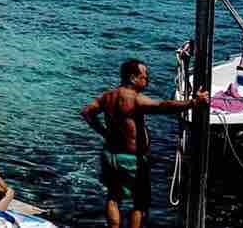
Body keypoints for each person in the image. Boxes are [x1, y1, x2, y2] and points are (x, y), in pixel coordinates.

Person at [81, 59, 209, 228]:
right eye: (145, 77)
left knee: (113, 197)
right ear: (133, 78)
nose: (147, 81)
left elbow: (86, 112)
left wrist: (103, 131)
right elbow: (163, 106)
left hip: (110, 155)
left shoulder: (107, 96)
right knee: (139, 202)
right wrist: (193, 103)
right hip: (132, 159)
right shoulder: (135, 99)